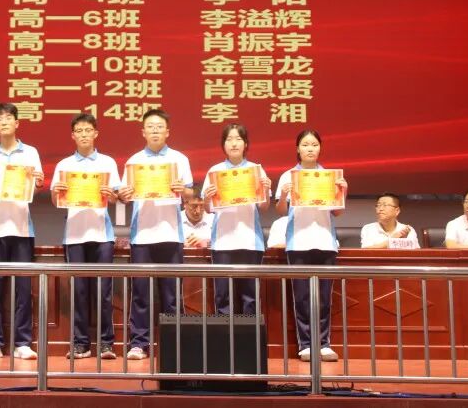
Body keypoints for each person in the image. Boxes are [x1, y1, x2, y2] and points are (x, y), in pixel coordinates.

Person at [117, 108, 194, 361]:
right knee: (141, 293)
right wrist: (123, 195)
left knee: (172, 293)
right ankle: (139, 344)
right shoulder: (134, 161)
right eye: (150, 126)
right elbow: (124, 196)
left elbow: (190, 194)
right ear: (143, 132)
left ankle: (176, 343)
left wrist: (184, 190)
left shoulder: (179, 159)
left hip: (171, 234)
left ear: (167, 131)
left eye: (159, 126)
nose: (155, 130)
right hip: (142, 236)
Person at [0, 102, 44, 360]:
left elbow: (35, 187)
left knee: (23, 289)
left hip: (21, 228)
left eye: (8, 118)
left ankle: (22, 343)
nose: (4, 122)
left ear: (17, 123)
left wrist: (37, 182)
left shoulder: (30, 153)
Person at [50, 113, 121, 360]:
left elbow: (117, 198)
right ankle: (81, 344)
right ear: (73, 135)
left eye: (87, 130)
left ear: (96, 133)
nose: (83, 134)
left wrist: (111, 195)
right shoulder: (64, 165)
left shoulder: (108, 162)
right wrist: (57, 193)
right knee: (79, 291)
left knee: (103, 291)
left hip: (102, 234)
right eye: (79, 131)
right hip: (74, 235)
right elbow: (56, 201)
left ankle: (106, 344)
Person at [275, 129, 346, 362]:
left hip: (325, 241)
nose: (310, 149)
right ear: (297, 148)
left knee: (324, 297)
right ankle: (305, 344)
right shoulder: (288, 176)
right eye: (305, 145)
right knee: (302, 296)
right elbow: (281, 211)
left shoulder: (330, 176)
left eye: (314, 144)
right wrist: (283, 195)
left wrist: (342, 191)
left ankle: (324, 344)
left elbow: (337, 212)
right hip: (298, 243)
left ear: (320, 148)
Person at [201, 123, 271, 315]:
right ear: (223, 144)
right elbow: (208, 208)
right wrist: (207, 198)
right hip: (223, 242)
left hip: (250, 241)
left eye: (238, 139)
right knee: (223, 295)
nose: (234, 144)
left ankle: (250, 334)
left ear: (245, 144)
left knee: (250, 296)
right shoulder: (215, 171)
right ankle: (224, 334)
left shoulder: (256, 170)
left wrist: (265, 190)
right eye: (229, 139)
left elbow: (264, 207)